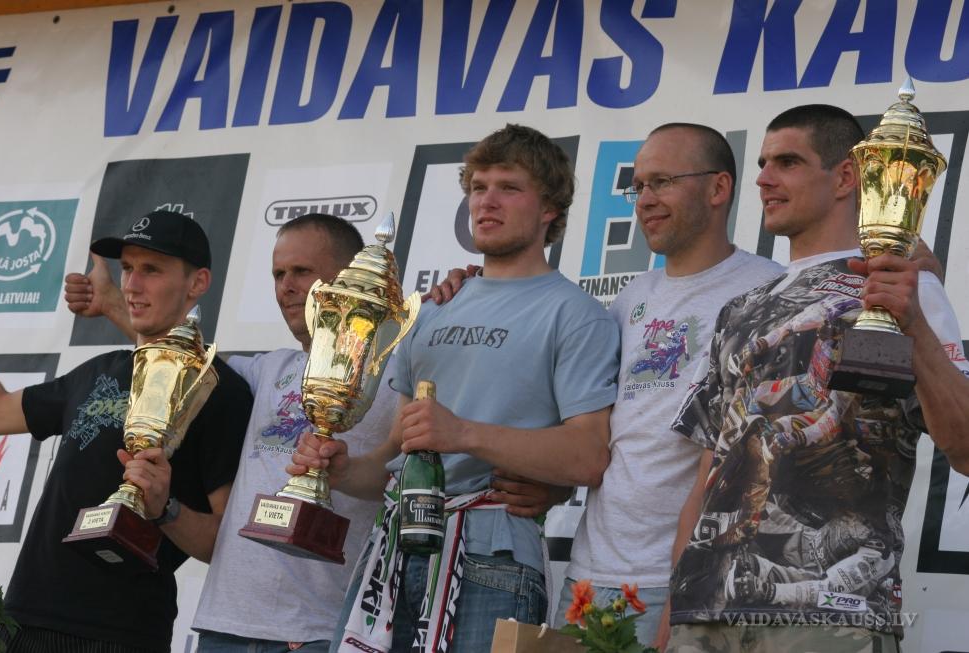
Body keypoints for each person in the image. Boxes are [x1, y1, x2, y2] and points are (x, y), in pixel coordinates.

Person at [65, 212, 562, 652]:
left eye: (301, 272)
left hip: (324, 629)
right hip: (225, 625)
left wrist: (470, 288)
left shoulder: (402, 367)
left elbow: (415, 465)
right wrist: (114, 307)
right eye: (278, 274)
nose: (285, 286)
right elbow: (177, 368)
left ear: (345, 281)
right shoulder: (265, 369)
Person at [291, 124, 621, 653]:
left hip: (491, 558)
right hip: (393, 551)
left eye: (508, 187)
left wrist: (464, 433)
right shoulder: (430, 309)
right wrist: (343, 469)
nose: (487, 201)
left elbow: (588, 456)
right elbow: (398, 455)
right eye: (478, 187)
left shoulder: (576, 314)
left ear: (550, 209)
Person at [665, 105, 969, 652]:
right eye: (762, 163)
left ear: (846, 177)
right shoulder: (741, 309)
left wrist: (914, 325)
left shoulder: (898, 289)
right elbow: (711, 467)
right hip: (707, 613)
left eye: (787, 162)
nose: (763, 179)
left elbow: (966, 446)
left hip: (828, 614)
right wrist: (676, 603)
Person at [555, 124, 784, 648]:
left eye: (662, 182)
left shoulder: (769, 290)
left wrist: (686, 588)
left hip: (685, 577)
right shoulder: (629, 297)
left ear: (718, 188)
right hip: (589, 576)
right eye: (638, 186)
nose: (645, 200)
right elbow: (593, 431)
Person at [0, 210, 253, 653]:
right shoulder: (98, 370)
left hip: (122, 633)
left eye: (151, 269)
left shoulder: (219, 392)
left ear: (198, 282)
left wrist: (165, 508)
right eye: (128, 268)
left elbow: (224, 544)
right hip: (26, 619)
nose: (132, 284)